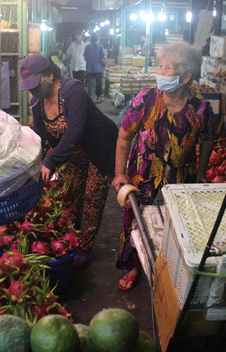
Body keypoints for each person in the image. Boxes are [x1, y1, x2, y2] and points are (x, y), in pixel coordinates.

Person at [111, 42, 215, 291]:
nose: (160, 72)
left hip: (180, 179)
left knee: (175, 226)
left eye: (167, 68)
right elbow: (124, 136)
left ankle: (168, 268)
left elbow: (209, 139)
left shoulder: (201, 108)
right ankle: (136, 265)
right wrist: (119, 174)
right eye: (160, 66)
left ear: (186, 76)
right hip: (142, 177)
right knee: (136, 222)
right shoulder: (145, 99)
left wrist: (201, 172)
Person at [20, 53, 118, 268]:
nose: (32, 91)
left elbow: (74, 132)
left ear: (48, 75)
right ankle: (70, 239)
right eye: (28, 87)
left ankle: (84, 248)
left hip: (100, 148)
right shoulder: (37, 103)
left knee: (92, 196)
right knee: (70, 194)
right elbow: (39, 136)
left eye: (35, 85)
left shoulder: (72, 91)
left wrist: (49, 161)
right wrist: (29, 160)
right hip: (74, 155)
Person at [83, 33, 106, 103]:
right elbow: (104, 56)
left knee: (90, 83)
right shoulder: (100, 46)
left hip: (89, 68)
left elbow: (84, 58)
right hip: (98, 68)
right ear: (98, 39)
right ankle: (98, 98)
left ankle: (90, 97)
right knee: (98, 83)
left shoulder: (87, 47)